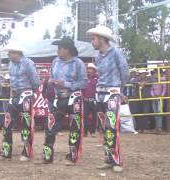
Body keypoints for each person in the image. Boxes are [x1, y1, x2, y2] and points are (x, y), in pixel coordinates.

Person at [87, 26, 130, 172]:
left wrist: (119, 90)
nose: (92, 41)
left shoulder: (116, 53)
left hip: (112, 93)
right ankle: (109, 159)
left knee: (111, 126)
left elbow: (125, 73)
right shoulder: (98, 57)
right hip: (100, 94)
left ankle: (116, 161)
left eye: (93, 38)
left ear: (102, 39)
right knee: (103, 128)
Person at [41, 38, 87, 165]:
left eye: (60, 48)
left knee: (75, 127)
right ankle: (47, 156)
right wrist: (51, 81)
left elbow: (84, 83)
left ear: (67, 50)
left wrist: (66, 83)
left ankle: (73, 157)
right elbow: (52, 76)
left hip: (74, 97)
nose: (58, 51)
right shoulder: (55, 61)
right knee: (50, 125)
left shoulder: (78, 63)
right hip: (58, 98)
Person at [0, 43, 40, 162]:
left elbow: (36, 81)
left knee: (26, 125)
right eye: (9, 53)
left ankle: (26, 152)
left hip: (26, 94)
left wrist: (29, 92)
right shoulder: (11, 64)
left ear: (17, 53)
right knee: (7, 123)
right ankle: (6, 152)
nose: (9, 55)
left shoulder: (28, 63)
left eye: (10, 52)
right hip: (14, 96)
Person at [82, 63, 98, 137]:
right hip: (85, 100)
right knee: (85, 116)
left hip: (94, 100)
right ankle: (85, 132)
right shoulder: (84, 79)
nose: (89, 70)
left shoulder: (97, 79)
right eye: (88, 69)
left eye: (90, 69)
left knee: (94, 116)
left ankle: (92, 132)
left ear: (94, 70)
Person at [150, 69, 166, 133]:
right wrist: (153, 95)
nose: (154, 74)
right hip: (154, 98)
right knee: (155, 112)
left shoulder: (163, 79)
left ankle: (159, 127)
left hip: (160, 98)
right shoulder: (153, 80)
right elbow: (151, 89)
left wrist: (161, 96)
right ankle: (157, 127)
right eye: (154, 73)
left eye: (155, 73)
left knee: (159, 113)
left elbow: (164, 89)